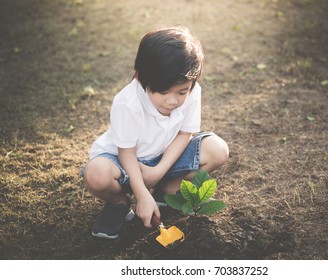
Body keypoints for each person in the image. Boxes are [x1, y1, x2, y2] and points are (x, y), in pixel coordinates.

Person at [81, 26, 229, 239]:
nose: (172, 101)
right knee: (96, 174)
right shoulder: (128, 102)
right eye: (162, 91)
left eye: (181, 92)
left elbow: (184, 134)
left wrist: (159, 171)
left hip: (165, 157)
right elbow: (127, 152)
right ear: (142, 78)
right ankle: (118, 204)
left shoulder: (192, 91)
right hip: (124, 162)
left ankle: (168, 190)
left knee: (217, 150)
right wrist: (141, 194)